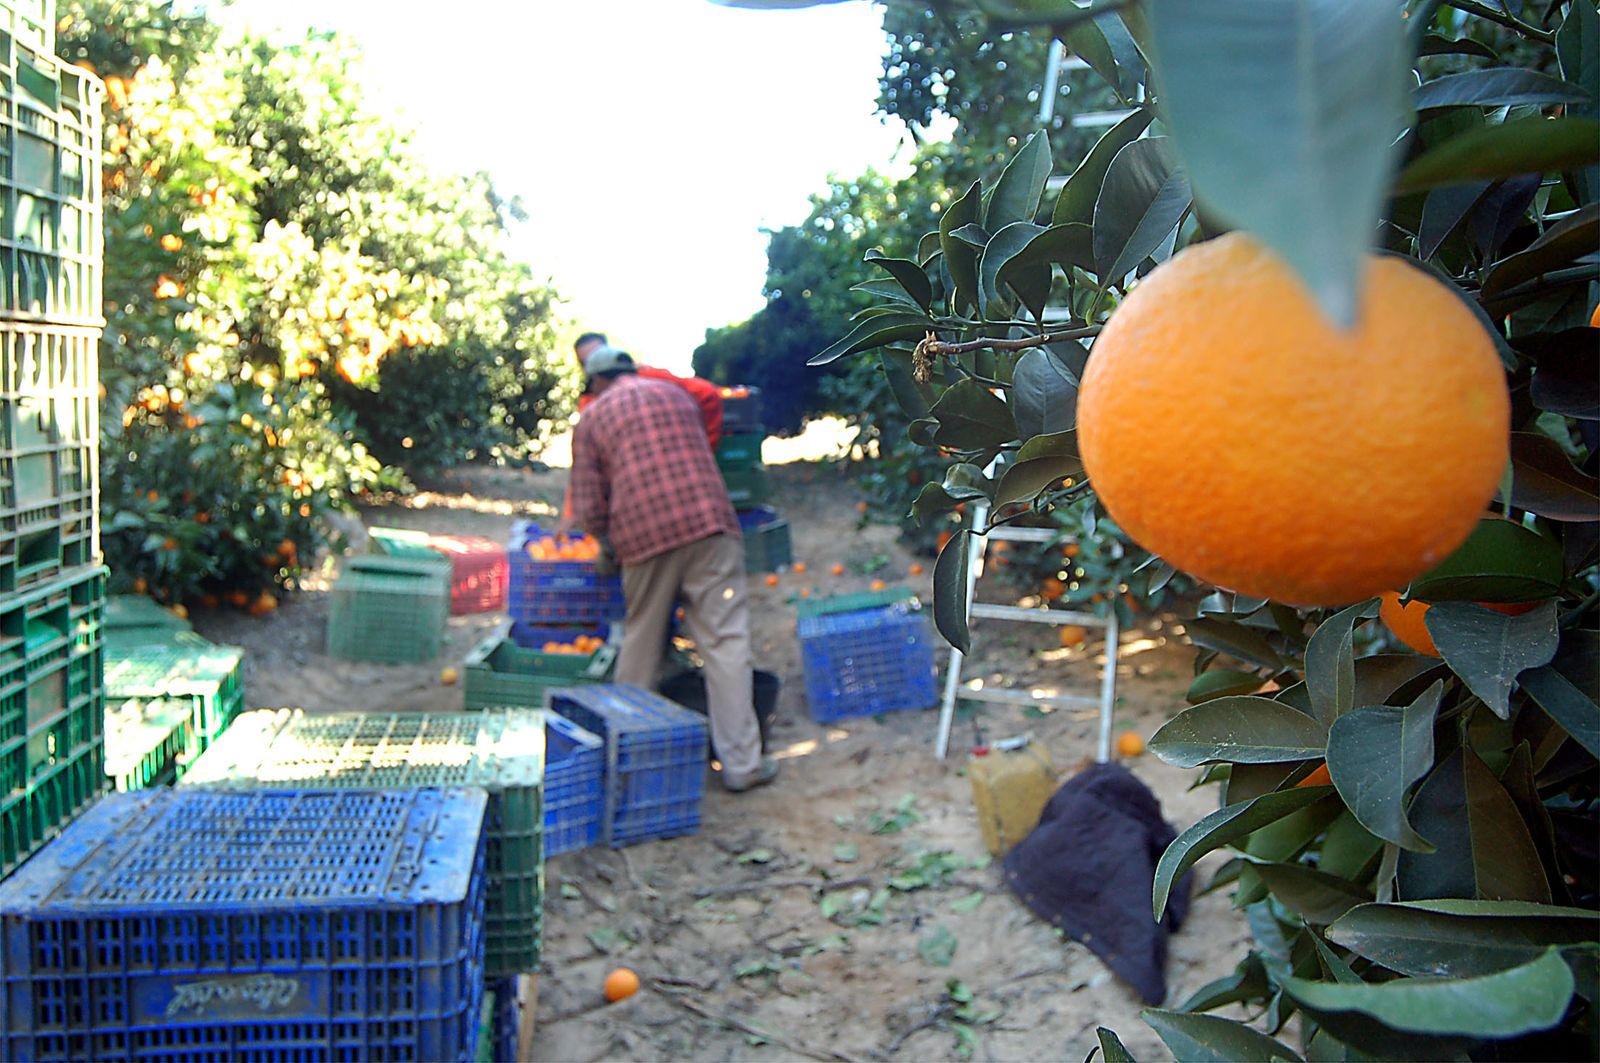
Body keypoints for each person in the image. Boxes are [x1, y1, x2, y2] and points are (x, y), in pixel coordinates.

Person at [564, 346, 776, 792]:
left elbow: (586, 503)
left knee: (641, 645)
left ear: (596, 383)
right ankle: (742, 765)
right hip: (710, 524)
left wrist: (604, 543)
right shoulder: (675, 395)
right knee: (725, 644)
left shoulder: (592, 418)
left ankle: (628, 765)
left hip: (643, 538)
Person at [573, 332, 723, 448]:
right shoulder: (588, 401)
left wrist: (702, 448)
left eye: (596, 356)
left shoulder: (647, 376)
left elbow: (706, 393)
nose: (592, 365)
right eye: (585, 363)